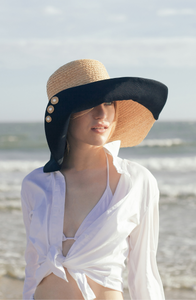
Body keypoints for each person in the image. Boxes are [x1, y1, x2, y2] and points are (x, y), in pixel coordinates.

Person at [21, 59, 168, 300]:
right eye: (90, 103)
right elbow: (33, 266)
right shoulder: (34, 184)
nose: (102, 113)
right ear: (66, 113)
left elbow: (144, 273)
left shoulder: (135, 182)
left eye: (109, 101)